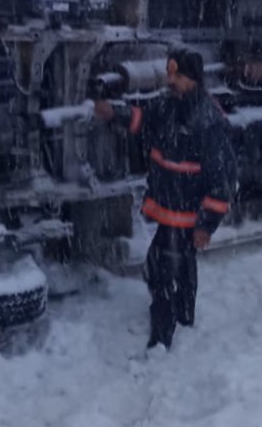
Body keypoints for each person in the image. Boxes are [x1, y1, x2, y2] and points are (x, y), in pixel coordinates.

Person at [94, 48, 237, 351]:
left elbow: (222, 180)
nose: (171, 81)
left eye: (178, 76)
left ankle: (160, 340)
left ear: (194, 80)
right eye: (170, 75)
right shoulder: (169, 105)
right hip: (171, 210)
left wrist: (206, 225)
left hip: (184, 215)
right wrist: (113, 113)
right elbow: (142, 119)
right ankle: (184, 315)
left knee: (160, 271)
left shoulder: (207, 121)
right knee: (182, 265)